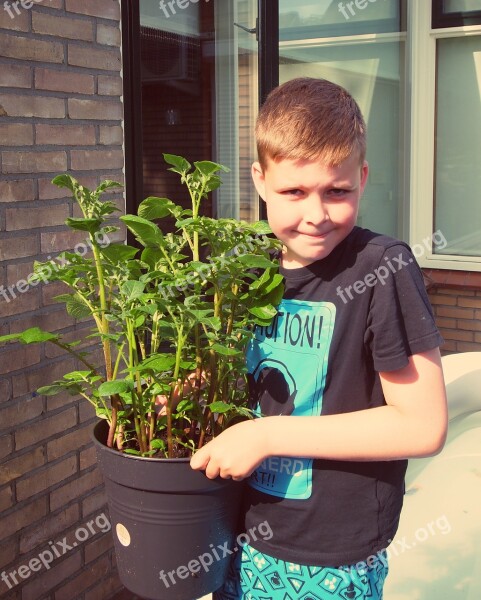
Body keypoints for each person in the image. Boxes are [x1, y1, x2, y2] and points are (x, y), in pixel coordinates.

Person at [190, 77, 448, 600]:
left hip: (330, 554)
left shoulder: (381, 267)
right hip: (234, 530)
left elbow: (423, 425)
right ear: (260, 181)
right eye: (293, 192)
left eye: (338, 191)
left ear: (364, 178)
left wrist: (266, 437)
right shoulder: (244, 268)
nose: (316, 214)